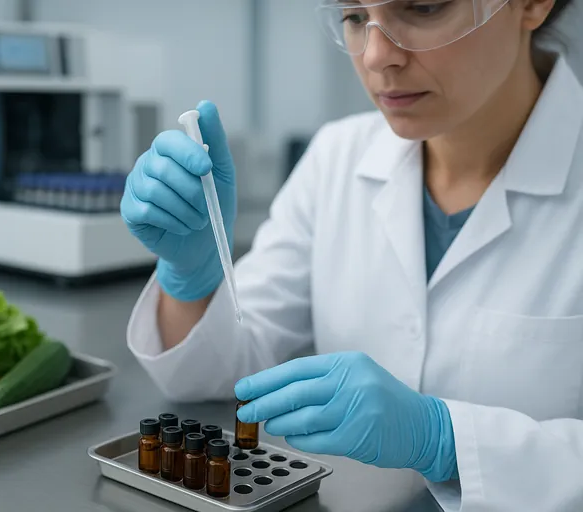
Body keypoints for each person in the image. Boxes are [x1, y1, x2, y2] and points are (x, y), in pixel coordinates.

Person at [120, 0, 582, 509]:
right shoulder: (336, 158)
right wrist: (193, 276)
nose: (377, 55)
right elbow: (223, 373)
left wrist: (448, 442)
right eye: (356, 16)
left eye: (423, 7)